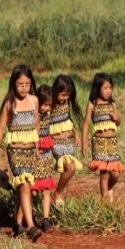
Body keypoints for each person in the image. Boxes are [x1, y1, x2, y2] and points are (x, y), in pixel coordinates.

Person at [0, 64, 43, 242]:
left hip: (30, 149)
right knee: (25, 185)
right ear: (13, 84)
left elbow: (37, 124)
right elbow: (0, 129)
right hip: (15, 149)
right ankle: (31, 227)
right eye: (20, 84)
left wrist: (37, 145)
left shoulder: (34, 101)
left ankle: (18, 223)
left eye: (27, 84)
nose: (23, 88)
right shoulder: (9, 103)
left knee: (25, 186)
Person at [81, 73, 124, 202]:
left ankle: (107, 190)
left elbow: (118, 122)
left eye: (110, 87)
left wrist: (117, 119)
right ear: (97, 88)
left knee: (116, 173)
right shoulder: (92, 104)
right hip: (99, 143)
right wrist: (84, 143)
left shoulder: (112, 104)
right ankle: (105, 203)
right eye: (105, 88)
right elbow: (86, 124)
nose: (108, 91)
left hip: (112, 143)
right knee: (104, 174)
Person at [49, 74, 83, 210]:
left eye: (68, 95)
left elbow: (66, 120)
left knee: (68, 169)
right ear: (56, 91)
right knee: (70, 167)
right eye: (63, 95)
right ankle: (56, 194)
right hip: (56, 143)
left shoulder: (66, 103)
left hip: (68, 143)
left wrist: (76, 133)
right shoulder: (49, 104)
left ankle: (57, 196)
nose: (66, 98)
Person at [32, 84, 56, 232]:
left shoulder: (48, 115)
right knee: (33, 189)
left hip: (46, 155)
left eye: (49, 105)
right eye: (45, 105)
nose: (47, 108)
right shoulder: (34, 115)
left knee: (46, 188)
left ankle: (45, 219)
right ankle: (27, 215)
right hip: (35, 155)